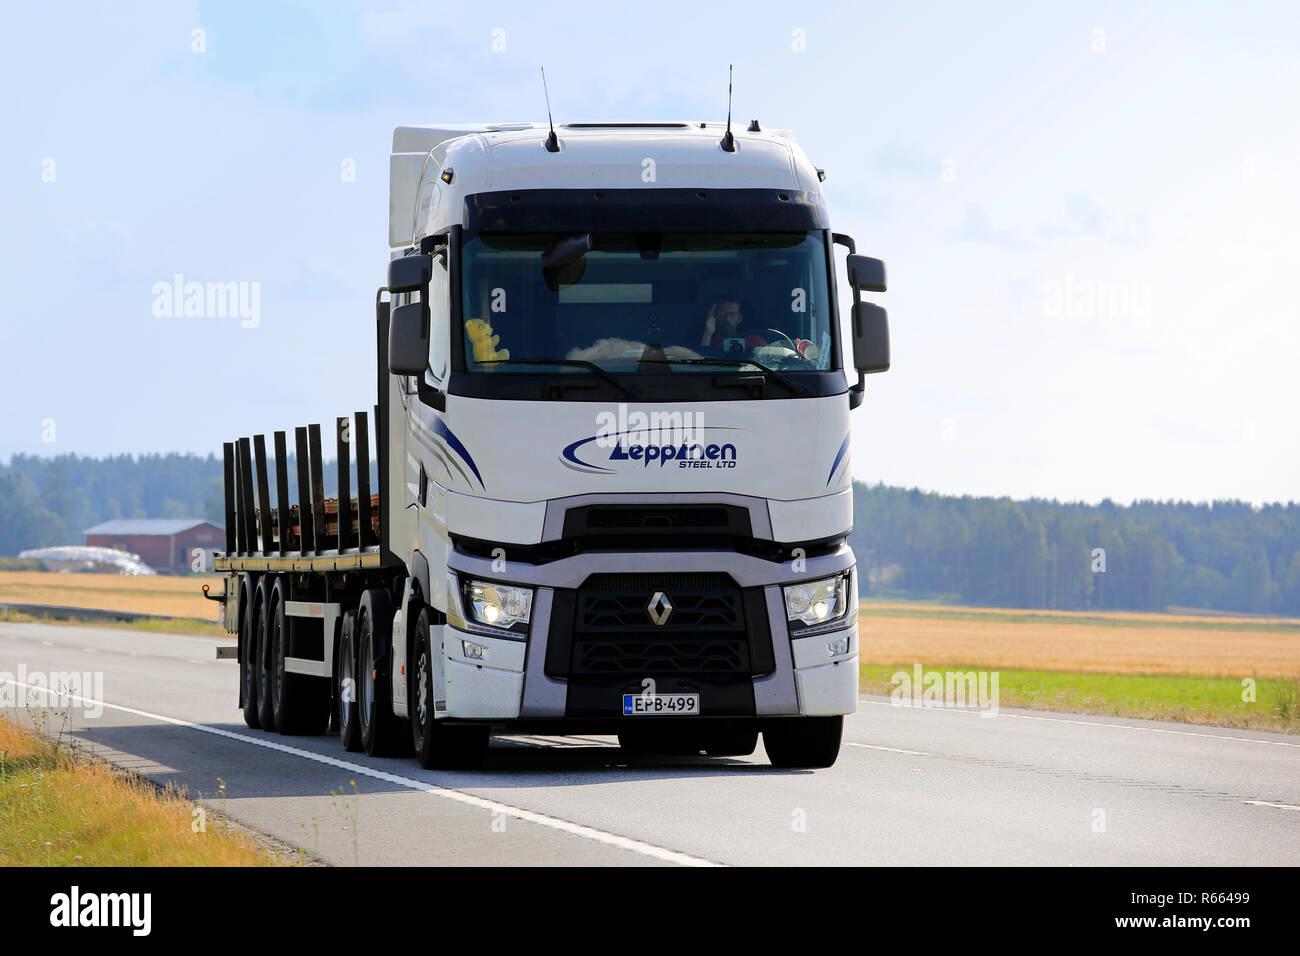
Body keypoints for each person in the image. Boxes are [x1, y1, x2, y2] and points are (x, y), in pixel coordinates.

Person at [698, 294, 819, 360]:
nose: (727, 319)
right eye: (722, 314)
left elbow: (769, 363)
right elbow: (700, 365)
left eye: (732, 315)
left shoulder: (755, 340)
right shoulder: (708, 341)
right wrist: (708, 332)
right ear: (715, 317)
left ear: (740, 318)